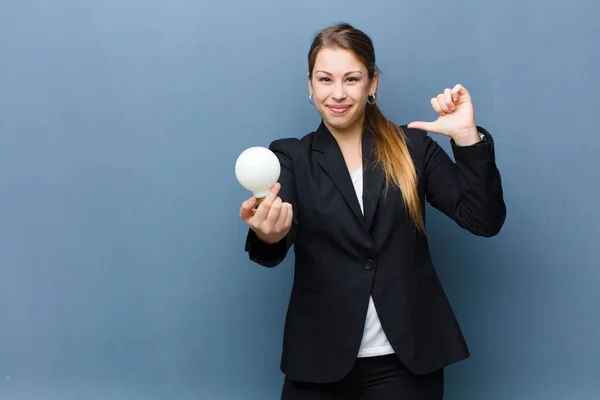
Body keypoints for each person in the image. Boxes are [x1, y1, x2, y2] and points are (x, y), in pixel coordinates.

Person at [239, 23, 506, 400]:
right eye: (325, 79)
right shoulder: (291, 157)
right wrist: (269, 234)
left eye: (352, 79)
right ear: (310, 85)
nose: (337, 93)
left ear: (372, 82)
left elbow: (484, 219)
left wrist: (466, 139)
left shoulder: (412, 147)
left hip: (407, 362)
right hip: (318, 360)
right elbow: (277, 236)